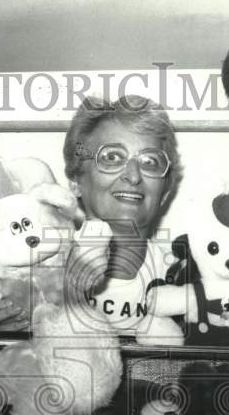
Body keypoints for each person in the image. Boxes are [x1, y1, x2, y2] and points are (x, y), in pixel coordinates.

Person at [62, 95, 184, 338]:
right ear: (76, 181)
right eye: (112, 157)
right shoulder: (44, 269)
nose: (134, 176)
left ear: (164, 193)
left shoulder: (181, 278)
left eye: (150, 161)